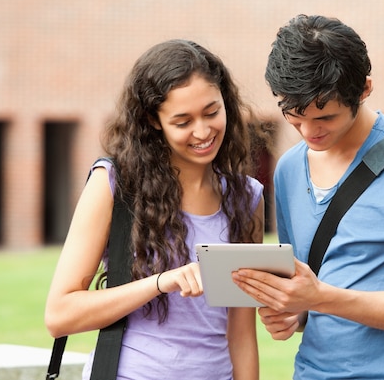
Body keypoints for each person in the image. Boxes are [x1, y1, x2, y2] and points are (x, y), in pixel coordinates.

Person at [232, 14, 384, 379]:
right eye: (294, 117)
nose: (309, 131)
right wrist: (292, 313)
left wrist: (318, 297)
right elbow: (311, 289)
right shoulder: (290, 169)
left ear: (364, 90)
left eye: (325, 117)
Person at [45, 39, 264, 380]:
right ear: (153, 120)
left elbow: (241, 333)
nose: (203, 131)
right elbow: (60, 314)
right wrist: (160, 282)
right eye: (183, 121)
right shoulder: (114, 185)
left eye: (211, 112)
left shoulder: (245, 197)